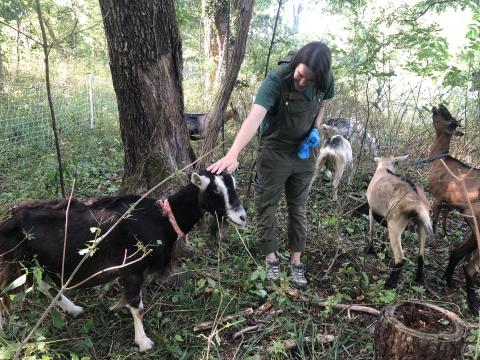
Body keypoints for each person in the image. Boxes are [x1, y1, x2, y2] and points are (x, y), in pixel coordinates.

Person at [208, 41, 335, 289]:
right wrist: (233, 153)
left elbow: (322, 104)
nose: (302, 84)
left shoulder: (325, 79)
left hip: (304, 152)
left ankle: (296, 262)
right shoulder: (276, 79)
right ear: (296, 64)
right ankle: (271, 257)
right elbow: (256, 116)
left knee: (298, 209)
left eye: (309, 82)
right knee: (267, 206)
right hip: (274, 152)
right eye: (300, 77)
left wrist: (316, 130)